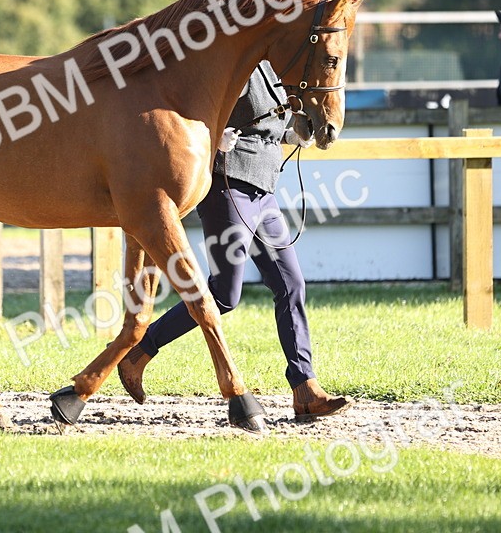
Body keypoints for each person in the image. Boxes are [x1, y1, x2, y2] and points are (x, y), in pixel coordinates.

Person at [117, 60, 353, 421]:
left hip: (264, 190)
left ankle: (305, 388)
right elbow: (193, 112)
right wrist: (214, 137)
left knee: (291, 285)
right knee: (225, 294)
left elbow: (267, 126)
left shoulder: (277, 71)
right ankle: (139, 351)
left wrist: (290, 136)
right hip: (229, 186)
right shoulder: (236, 64)